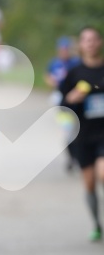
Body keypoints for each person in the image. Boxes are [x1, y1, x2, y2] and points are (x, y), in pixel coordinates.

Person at [60, 27, 104, 241]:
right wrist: (71, 98)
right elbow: (62, 106)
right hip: (83, 134)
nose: (91, 43)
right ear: (81, 45)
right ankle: (96, 224)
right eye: (86, 40)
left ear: (100, 42)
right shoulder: (74, 73)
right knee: (89, 184)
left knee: (103, 173)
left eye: (94, 39)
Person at [45, 37, 80, 171]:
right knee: (68, 131)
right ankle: (72, 158)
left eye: (66, 49)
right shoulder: (54, 63)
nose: (64, 52)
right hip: (60, 99)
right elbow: (47, 76)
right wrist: (52, 81)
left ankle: (78, 155)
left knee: (79, 130)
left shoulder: (75, 62)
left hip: (76, 99)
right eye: (62, 49)